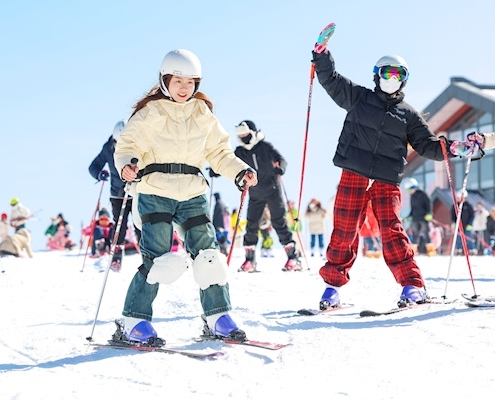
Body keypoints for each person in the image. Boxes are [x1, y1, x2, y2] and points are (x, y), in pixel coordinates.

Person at [112, 48, 257, 346]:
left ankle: (218, 316)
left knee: (208, 257)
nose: (184, 88)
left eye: (190, 82)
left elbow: (219, 152)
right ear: (165, 80)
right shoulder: (151, 113)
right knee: (160, 260)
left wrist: (240, 171)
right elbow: (128, 144)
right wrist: (127, 164)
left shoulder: (202, 113)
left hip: (193, 191)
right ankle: (134, 321)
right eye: (178, 81)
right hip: (156, 191)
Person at [311, 36, 460, 310]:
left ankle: (412, 286)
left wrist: (455, 148)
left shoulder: (409, 115)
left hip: (386, 180)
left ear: (404, 79)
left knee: (392, 232)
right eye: (386, 73)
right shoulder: (358, 98)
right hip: (353, 173)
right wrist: (321, 54)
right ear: (376, 76)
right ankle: (331, 289)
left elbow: (429, 146)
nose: (391, 78)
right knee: (344, 230)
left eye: (397, 74)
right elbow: (330, 79)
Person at [233, 120, 301, 273]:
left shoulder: (265, 146)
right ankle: (249, 261)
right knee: (251, 225)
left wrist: (281, 169)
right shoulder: (240, 151)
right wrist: (215, 172)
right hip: (255, 193)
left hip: (272, 190)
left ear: (252, 133)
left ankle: (293, 257)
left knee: (278, 222)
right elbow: (230, 163)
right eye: (241, 135)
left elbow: (282, 160)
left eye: (246, 134)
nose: (243, 137)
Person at [89, 120, 141, 272]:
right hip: (118, 194)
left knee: (141, 226)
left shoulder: (138, 145)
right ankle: (116, 259)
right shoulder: (108, 148)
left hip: (137, 192)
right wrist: (99, 174)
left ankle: (148, 257)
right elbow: (94, 166)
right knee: (120, 226)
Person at [404, 178, 433, 255]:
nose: (409, 191)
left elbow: (428, 204)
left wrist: (429, 213)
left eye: (409, 189)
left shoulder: (423, 194)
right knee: (415, 235)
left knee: (426, 234)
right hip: (415, 218)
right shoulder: (412, 197)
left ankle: (430, 251)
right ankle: (414, 251)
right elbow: (413, 209)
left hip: (423, 218)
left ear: (414, 187)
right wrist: (409, 216)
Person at [450, 189, 476, 255]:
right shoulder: (455, 206)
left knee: (468, 237)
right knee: (459, 238)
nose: (459, 199)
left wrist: (470, 224)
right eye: (458, 197)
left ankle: (472, 250)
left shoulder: (468, 206)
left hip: (467, 225)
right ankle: (458, 250)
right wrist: (453, 222)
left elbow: (472, 215)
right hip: (458, 225)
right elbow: (453, 215)